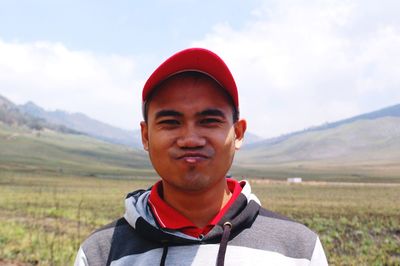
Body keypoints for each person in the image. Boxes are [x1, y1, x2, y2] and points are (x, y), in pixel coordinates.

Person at [74, 48, 328, 266]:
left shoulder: (297, 250)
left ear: (238, 133)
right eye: (171, 122)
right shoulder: (101, 254)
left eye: (209, 121)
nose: (191, 139)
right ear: (145, 136)